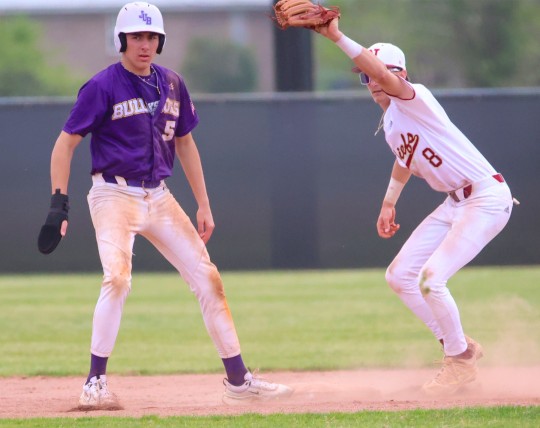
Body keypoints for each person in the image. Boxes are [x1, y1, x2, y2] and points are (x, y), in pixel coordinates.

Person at [37, 2, 292, 409]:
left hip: (158, 195)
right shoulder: (102, 86)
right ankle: (94, 383)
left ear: (160, 41)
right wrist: (58, 204)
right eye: (136, 36)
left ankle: (239, 382)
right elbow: (64, 144)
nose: (145, 44)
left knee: (208, 279)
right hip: (113, 193)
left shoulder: (172, 83)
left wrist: (203, 203)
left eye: (152, 36)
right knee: (117, 279)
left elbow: (185, 143)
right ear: (121, 40)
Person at [316, 19, 517, 394]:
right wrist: (388, 202)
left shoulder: (415, 98)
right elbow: (404, 159)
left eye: (379, 74)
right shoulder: (392, 121)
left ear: (402, 75)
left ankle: (459, 362)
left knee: (430, 279)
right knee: (400, 276)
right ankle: (460, 346)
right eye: (365, 77)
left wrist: (336, 36)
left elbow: (384, 76)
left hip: (485, 198)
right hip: (455, 202)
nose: (373, 82)